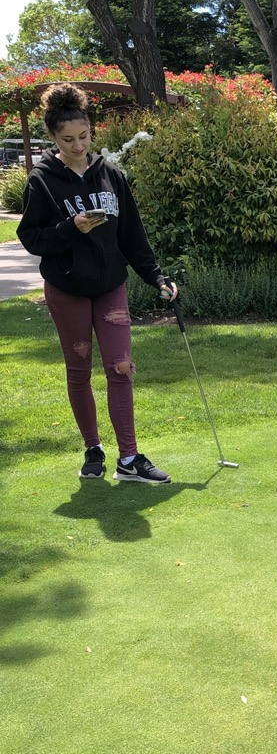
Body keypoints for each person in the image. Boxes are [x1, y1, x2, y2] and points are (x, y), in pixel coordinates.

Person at [17, 82, 178, 484]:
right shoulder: (42, 180)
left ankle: (129, 459)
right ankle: (93, 448)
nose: (77, 145)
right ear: (53, 138)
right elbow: (32, 237)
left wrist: (156, 277)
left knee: (121, 367)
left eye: (84, 136)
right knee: (79, 370)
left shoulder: (111, 175)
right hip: (67, 289)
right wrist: (71, 228)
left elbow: (132, 236)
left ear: (92, 130)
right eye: (68, 139)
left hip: (110, 287)